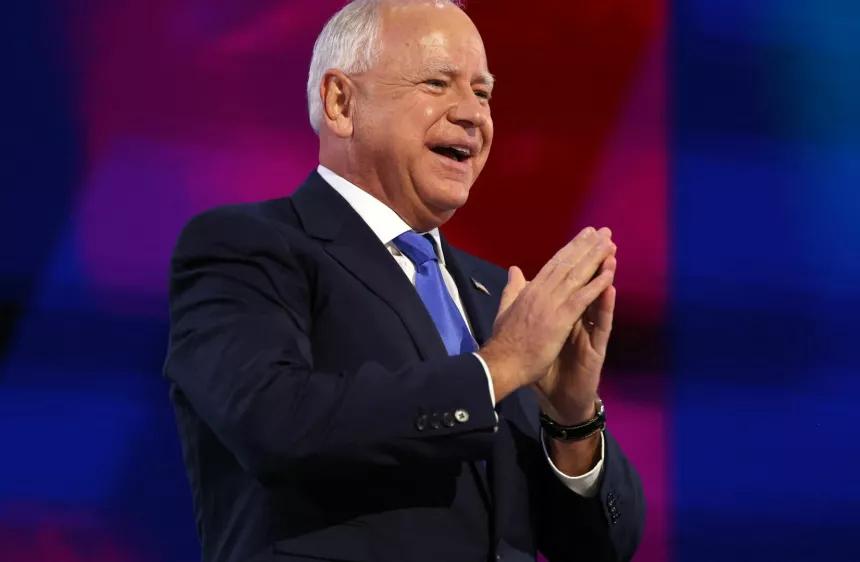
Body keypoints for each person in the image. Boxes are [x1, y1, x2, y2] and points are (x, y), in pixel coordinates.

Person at [163, 0, 645, 560]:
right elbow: (275, 422)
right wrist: (500, 367)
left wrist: (571, 418)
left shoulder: (498, 300)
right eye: (438, 83)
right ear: (341, 102)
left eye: (484, 93)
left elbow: (601, 547)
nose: (474, 114)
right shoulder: (247, 246)